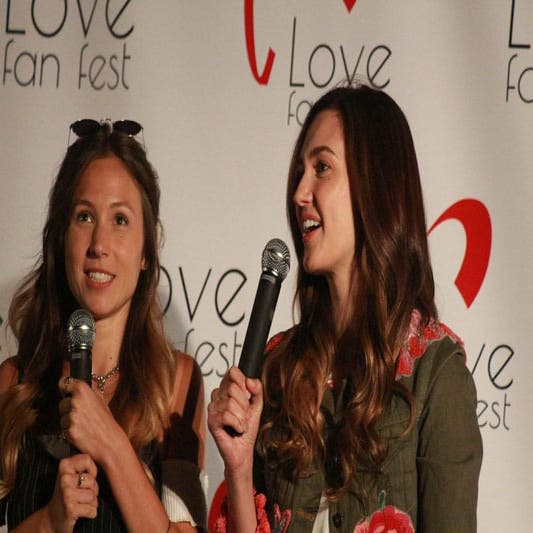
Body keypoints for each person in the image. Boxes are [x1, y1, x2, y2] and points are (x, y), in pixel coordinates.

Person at [207, 85, 483, 532]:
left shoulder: (436, 372)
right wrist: (238, 469)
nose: (300, 192)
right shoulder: (278, 367)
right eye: (300, 172)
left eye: (322, 168)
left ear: (375, 186)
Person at [0, 119, 207, 532]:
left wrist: (111, 444)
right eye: (84, 217)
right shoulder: (14, 384)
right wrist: (50, 521)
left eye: (120, 220)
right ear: (61, 238)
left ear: (147, 250)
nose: (99, 245)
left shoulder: (175, 383)